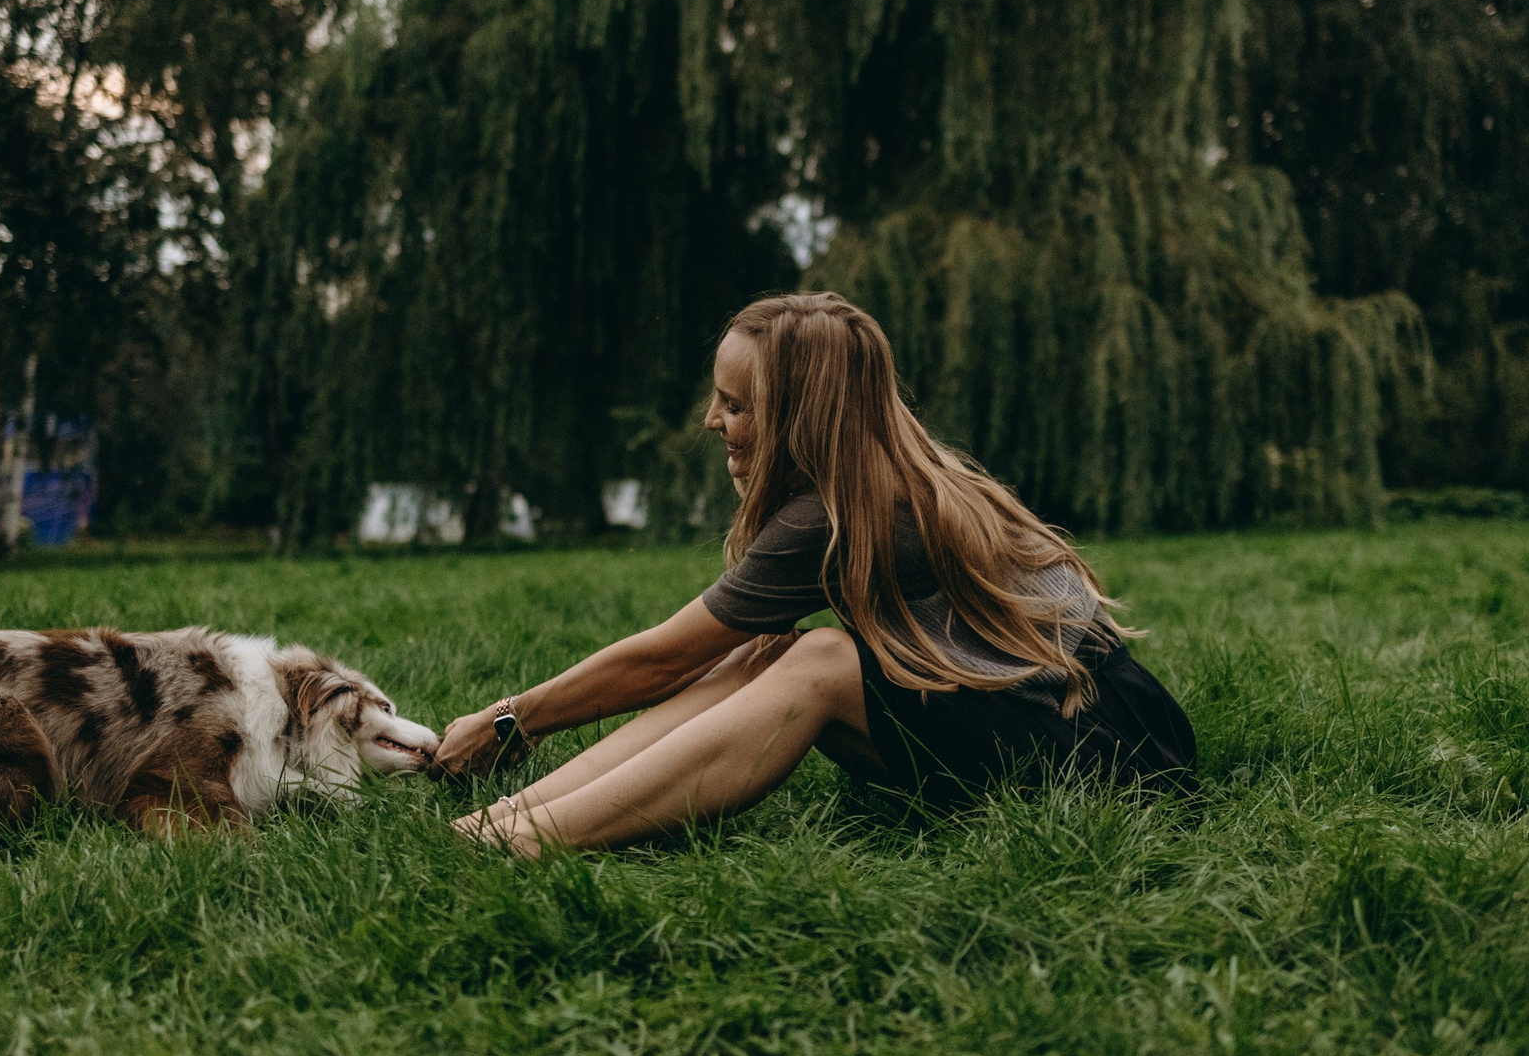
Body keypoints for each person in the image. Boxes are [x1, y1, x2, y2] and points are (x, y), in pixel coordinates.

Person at [437, 292, 1195, 853]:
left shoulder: (841, 513)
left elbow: (662, 659)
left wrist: (511, 718)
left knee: (822, 661)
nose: (711, 420)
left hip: (1108, 759)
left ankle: (527, 839)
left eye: (736, 405)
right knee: (768, 649)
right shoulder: (875, 475)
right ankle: (504, 818)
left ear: (800, 415)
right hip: (1099, 730)